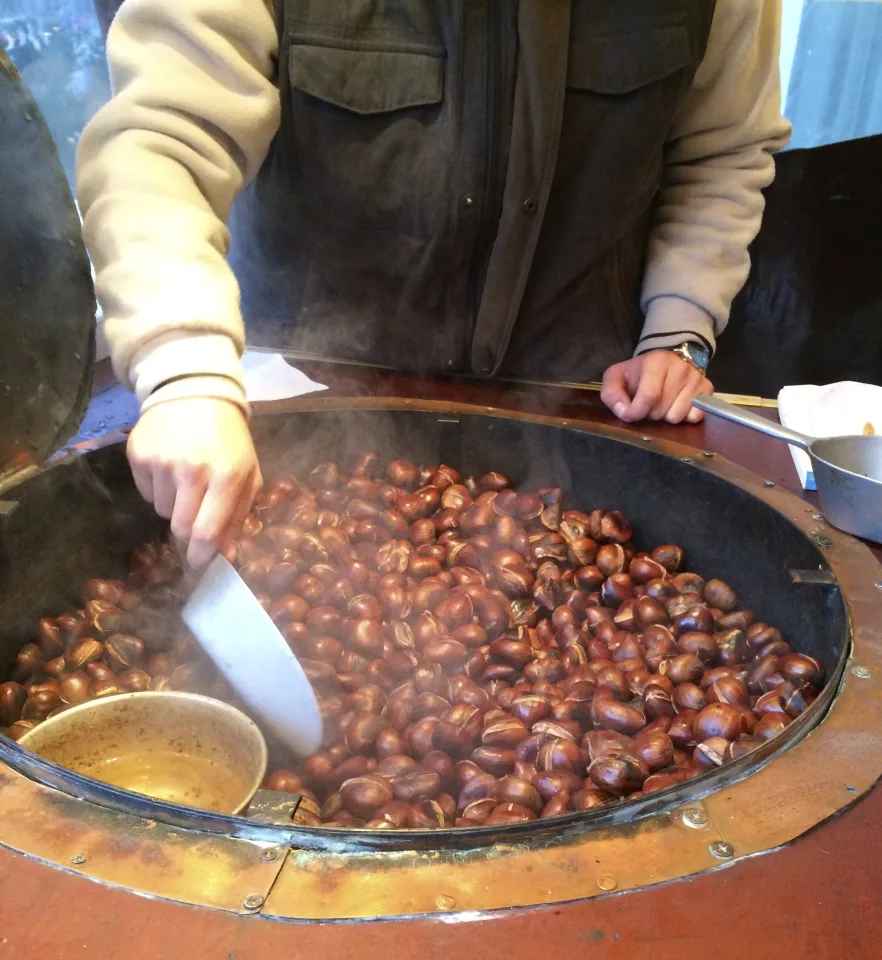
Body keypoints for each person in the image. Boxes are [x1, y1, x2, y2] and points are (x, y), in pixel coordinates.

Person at [77, 0, 791, 566]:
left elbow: (722, 152)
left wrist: (680, 324)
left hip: (583, 403)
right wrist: (184, 368)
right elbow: (159, 139)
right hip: (303, 403)